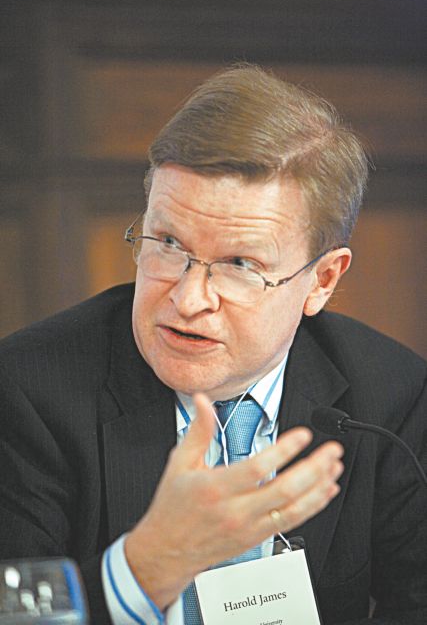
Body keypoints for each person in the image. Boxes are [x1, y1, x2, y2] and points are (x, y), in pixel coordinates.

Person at [0, 65, 425, 625]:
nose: (188, 298)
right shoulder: (29, 390)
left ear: (322, 281)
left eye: (240, 264)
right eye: (168, 243)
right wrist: (145, 568)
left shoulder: (393, 397)